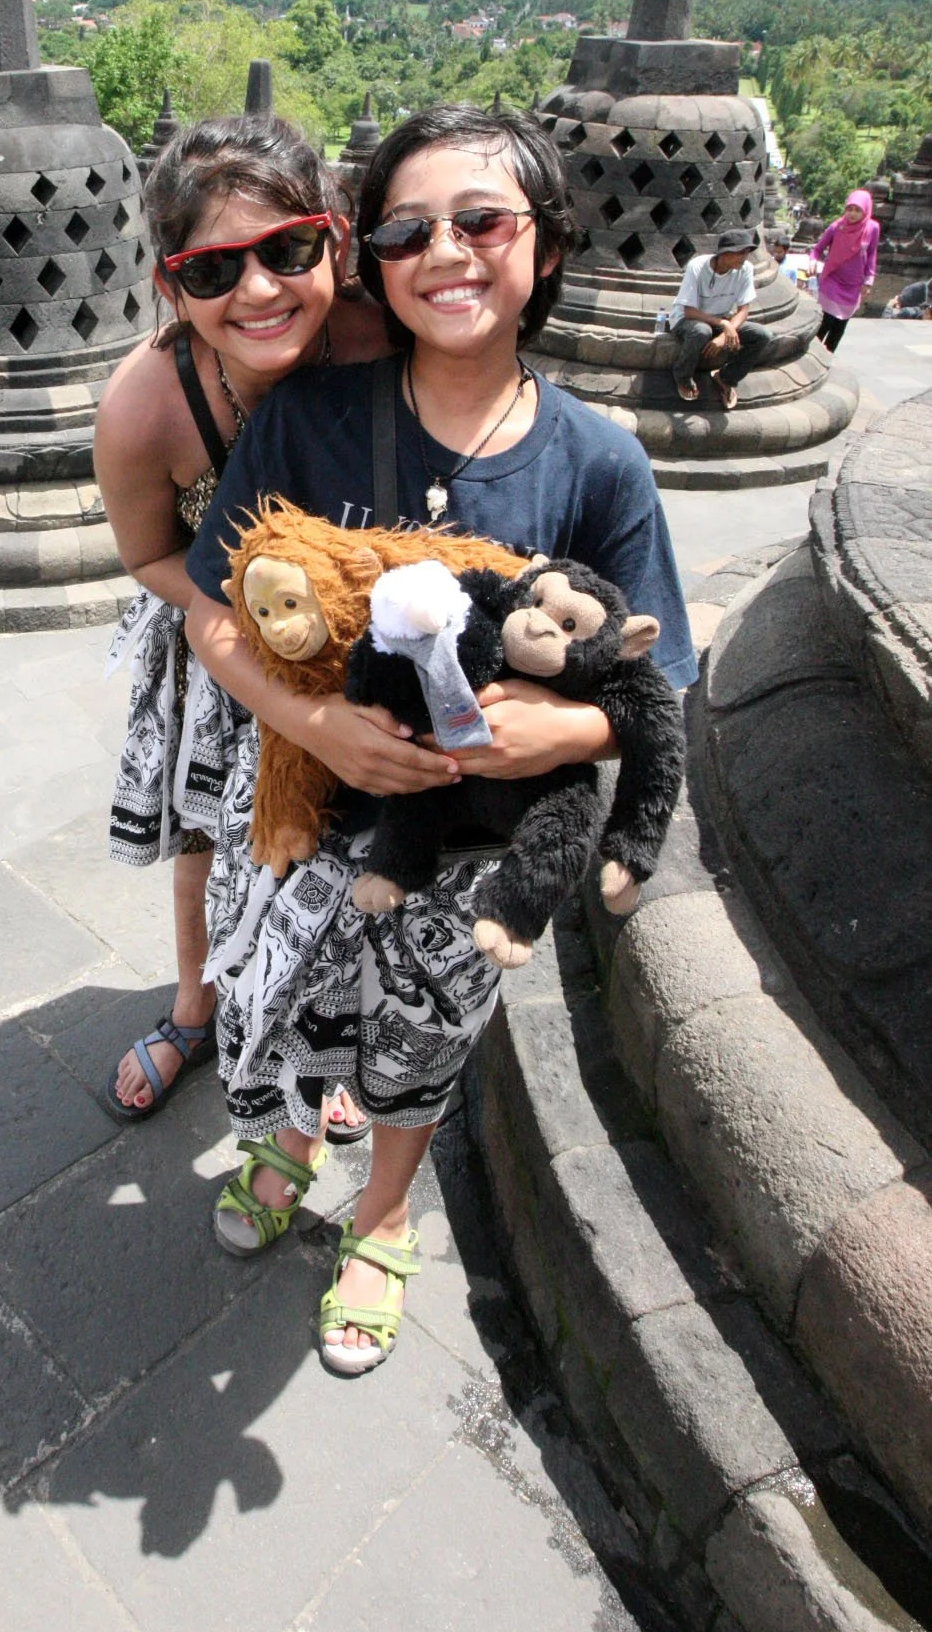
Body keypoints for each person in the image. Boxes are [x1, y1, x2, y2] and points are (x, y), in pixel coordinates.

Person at [184, 102, 694, 1376]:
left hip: (477, 850)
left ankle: (382, 1211)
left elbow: (657, 679)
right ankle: (290, 1151)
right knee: (283, 1010)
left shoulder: (595, 463)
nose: (446, 253)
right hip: (313, 816)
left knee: (417, 1034)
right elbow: (214, 612)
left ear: (547, 245)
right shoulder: (308, 419)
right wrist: (313, 724)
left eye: (481, 221)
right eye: (407, 231)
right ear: (373, 259)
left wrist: (554, 729)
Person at [94, 114, 389, 1132]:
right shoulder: (148, 405)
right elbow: (145, 558)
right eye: (213, 270)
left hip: (360, 643)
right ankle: (193, 1007)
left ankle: (331, 1034)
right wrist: (253, 629)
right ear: (168, 287)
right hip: (211, 637)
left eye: (287, 250)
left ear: (333, 245)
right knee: (205, 842)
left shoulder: (373, 344)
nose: (258, 291)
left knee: (350, 846)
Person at [667, 228, 771, 411]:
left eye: (746, 253)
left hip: (720, 320)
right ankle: (683, 376)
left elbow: (744, 309)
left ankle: (726, 378)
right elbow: (689, 311)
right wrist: (724, 324)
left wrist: (726, 333)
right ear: (724, 254)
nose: (744, 257)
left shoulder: (745, 269)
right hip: (688, 320)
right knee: (701, 331)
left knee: (762, 335)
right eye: (739, 253)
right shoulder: (697, 267)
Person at [809, 189, 880, 352]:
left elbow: (871, 255)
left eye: (857, 210)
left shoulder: (872, 228)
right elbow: (817, 249)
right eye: (850, 209)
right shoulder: (837, 227)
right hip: (832, 279)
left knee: (839, 327)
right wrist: (813, 261)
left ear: (866, 210)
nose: (852, 214)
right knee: (826, 321)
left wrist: (869, 280)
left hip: (853, 284)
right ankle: (813, 355)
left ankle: (827, 356)